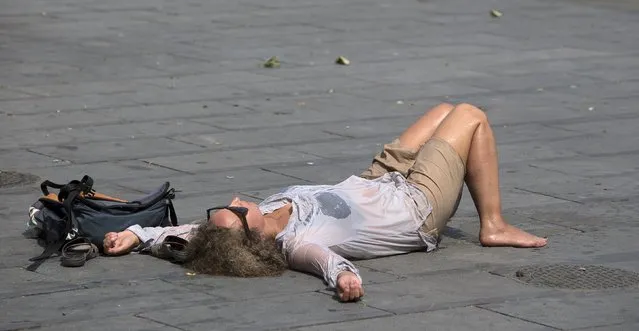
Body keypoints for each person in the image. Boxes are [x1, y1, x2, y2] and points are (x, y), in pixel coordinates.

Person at [103, 103, 547, 302]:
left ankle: (489, 215)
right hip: (416, 206)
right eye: (238, 208)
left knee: (442, 110)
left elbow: (182, 237)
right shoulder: (297, 244)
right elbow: (327, 263)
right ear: (251, 234)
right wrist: (345, 281)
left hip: (376, 180)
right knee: (470, 115)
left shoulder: (231, 233)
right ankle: (494, 225)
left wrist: (133, 234)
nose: (238, 199)